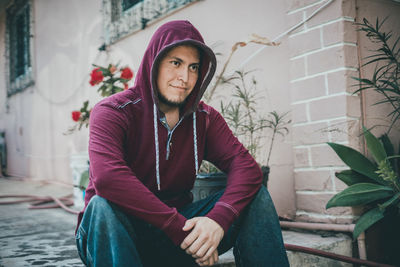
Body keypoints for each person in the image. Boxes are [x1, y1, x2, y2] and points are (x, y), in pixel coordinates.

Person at [75, 20, 289, 267]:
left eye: (194, 67)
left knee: (256, 196)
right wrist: (178, 229)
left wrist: (217, 221)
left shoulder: (204, 118)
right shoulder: (113, 111)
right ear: (154, 62)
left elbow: (247, 169)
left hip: (175, 238)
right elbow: (108, 178)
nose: (185, 77)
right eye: (176, 63)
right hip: (116, 237)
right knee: (102, 206)